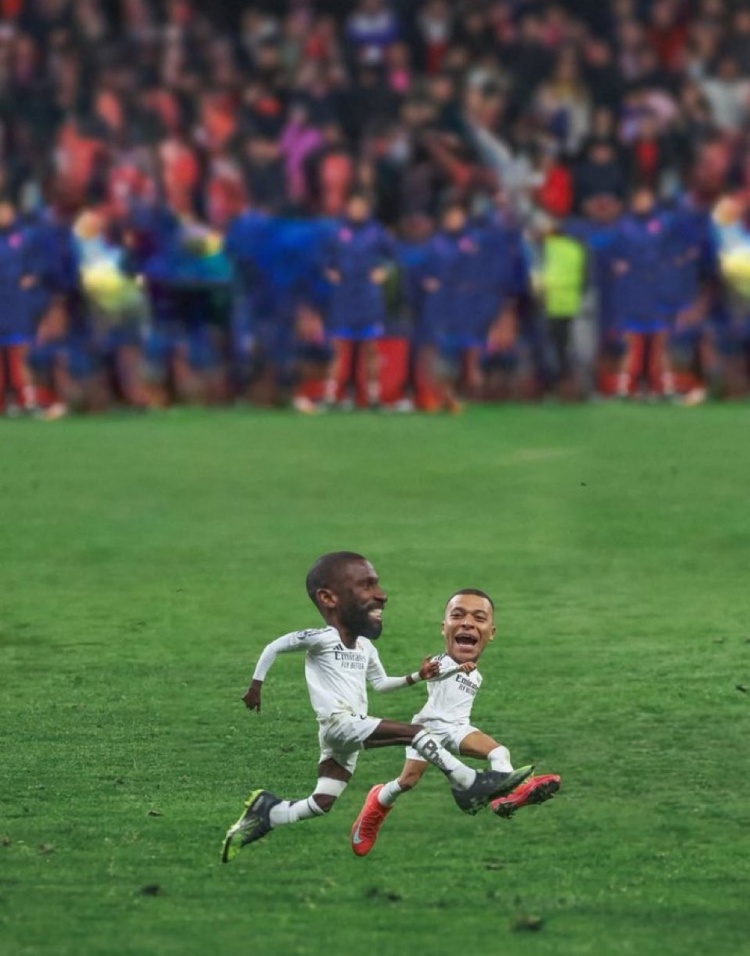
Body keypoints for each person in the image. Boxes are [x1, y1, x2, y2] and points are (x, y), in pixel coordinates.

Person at [221, 552, 533, 862]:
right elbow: (274, 646)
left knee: (322, 801)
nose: (381, 595)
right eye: (366, 587)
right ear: (329, 598)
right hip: (338, 722)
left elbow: (381, 684)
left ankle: (267, 812)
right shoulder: (321, 638)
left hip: (345, 731)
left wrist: (416, 677)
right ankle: (468, 782)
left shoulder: (366, 647)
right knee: (416, 733)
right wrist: (256, 685)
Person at [349, 588, 561, 857]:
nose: (467, 623)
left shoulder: (476, 674)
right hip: (428, 729)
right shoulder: (441, 662)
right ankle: (376, 803)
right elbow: (434, 676)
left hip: (458, 728)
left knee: (499, 752)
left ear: (491, 633)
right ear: (444, 628)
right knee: (408, 781)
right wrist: (455, 668)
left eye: (478, 618)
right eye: (458, 615)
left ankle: (508, 796)